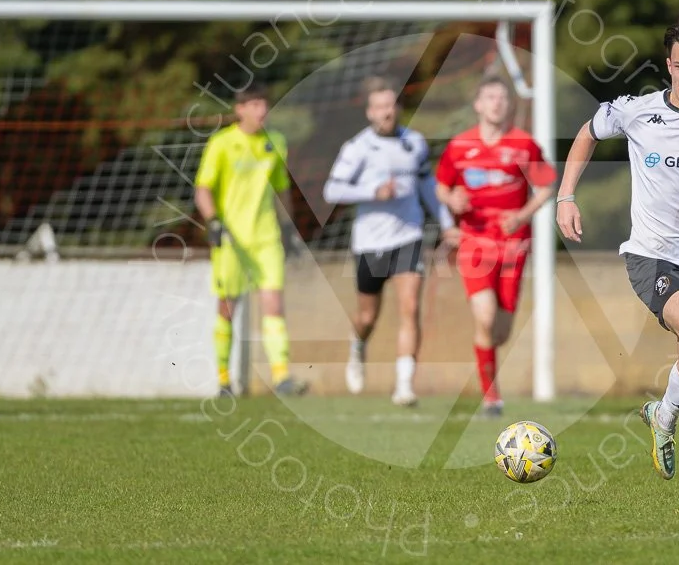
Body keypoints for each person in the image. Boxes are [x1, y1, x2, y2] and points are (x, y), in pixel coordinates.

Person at [555, 13, 679, 492]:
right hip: (651, 255)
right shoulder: (637, 111)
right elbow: (587, 133)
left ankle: (662, 415)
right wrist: (566, 196)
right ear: (668, 65)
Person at [324, 76, 459, 407]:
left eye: (391, 105)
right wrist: (373, 192)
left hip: (409, 236)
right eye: (380, 106)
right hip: (370, 243)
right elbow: (332, 190)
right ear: (370, 112)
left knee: (410, 308)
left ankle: (404, 386)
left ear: (398, 107)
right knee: (367, 317)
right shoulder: (357, 147)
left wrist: (447, 224)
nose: (387, 112)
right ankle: (358, 345)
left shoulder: (414, 143)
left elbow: (427, 187)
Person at [434, 74, 557, 418]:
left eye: (502, 97)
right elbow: (441, 187)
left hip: (513, 246)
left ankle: (486, 355)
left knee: (499, 331)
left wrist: (522, 215)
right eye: (490, 97)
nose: (497, 103)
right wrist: (452, 200)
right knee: (485, 316)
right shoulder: (460, 146)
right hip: (474, 243)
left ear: (509, 105)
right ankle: (492, 397)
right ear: (478, 104)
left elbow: (546, 186)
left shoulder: (524, 144)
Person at [193, 83, 307, 397]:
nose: (262, 110)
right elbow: (202, 189)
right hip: (232, 240)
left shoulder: (275, 141)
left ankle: (282, 377)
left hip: (265, 238)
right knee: (228, 308)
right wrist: (213, 221)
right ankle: (224, 380)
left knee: (273, 304)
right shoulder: (222, 143)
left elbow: (281, 189)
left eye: (264, 104)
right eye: (255, 104)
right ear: (239, 109)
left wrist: (288, 229)